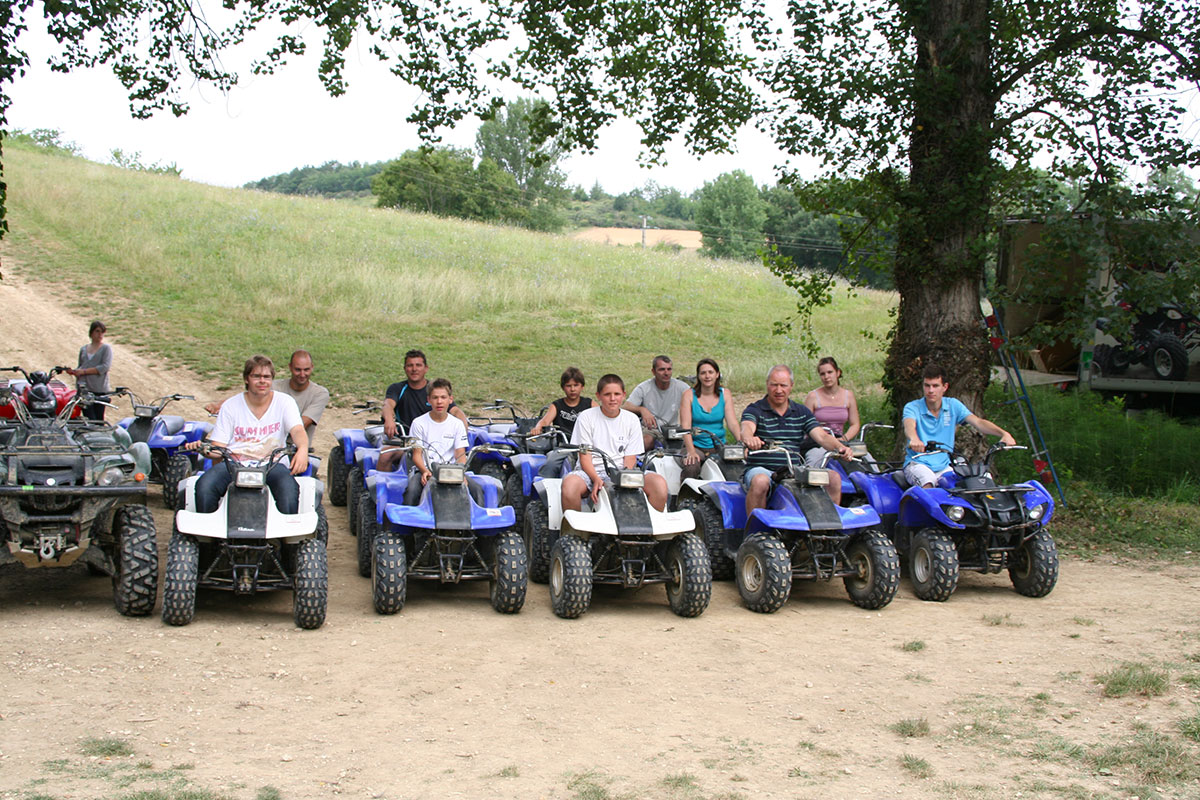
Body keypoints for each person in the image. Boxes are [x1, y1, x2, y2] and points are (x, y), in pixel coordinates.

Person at [185, 355, 308, 514]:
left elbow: (297, 429)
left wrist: (303, 449)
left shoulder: (285, 402)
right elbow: (218, 448)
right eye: (256, 376)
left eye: (267, 377)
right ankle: (207, 537)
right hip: (234, 464)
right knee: (205, 486)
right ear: (246, 379)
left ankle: (287, 536)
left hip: (272, 464)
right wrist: (202, 449)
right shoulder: (231, 406)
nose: (262, 381)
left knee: (289, 489)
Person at [740, 365, 854, 512]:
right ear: (767, 384)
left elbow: (821, 436)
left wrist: (840, 447)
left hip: (793, 470)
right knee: (760, 481)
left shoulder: (801, 412)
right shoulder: (755, 409)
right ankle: (755, 531)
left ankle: (828, 528)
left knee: (833, 478)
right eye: (774, 385)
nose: (779, 390)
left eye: (783, 385)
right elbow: (747, 427)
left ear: (791, 386)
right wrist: (749, 438)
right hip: (762, 469)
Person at [563, 374, 669, 513]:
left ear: (623, 395)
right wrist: (596, 479)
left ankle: (651, 530)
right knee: (569, 486)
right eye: (607, 394)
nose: (613, 399)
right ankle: (576, 532)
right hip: (590, 472)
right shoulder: (586, 417)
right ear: (598, 396)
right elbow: (585, 456)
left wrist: (624, 480)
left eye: (617, 394)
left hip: (624, 471)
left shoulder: (631, 419)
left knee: (659, 483)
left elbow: (631, 457)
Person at [902, 364, 1017, 488]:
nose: (931, 390)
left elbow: (978, 422)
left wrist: (1004, 434)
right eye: (927, 385)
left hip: (945, 466)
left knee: (967, 487)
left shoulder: (953, 405)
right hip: (918, 464)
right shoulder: (913, 407)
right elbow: (909, 425)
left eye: (935, 386)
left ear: (945, 387)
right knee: (928, 483)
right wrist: (914, 439)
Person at [205, 350, 329, 443]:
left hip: (291, 448)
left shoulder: (319, 394)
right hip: (259, 446)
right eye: (298, 370)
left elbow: (299, 426)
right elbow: (247, 397)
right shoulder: (272, 386)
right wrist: (219, 405)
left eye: (306, 370)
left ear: (312, 368)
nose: (302, 374)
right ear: (290, 367)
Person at [378, 349, 469, 472]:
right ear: (405, 368)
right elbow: (388, 405)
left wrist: (463, 425)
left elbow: (456, 411)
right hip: (406, 440)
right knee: (385, 455)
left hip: (435, 441)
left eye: (418, 365)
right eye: (410, 365)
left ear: (426, 368)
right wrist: (389, 420)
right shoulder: (397, 388)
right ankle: (383, 489)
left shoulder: (435, 390)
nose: (414, 369)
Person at [405, 378, 470, 505]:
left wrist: (461, 472)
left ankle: (478, 522)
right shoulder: (419, 423)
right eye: (435, 398)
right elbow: (417, 455)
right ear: (429, 400)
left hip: (452, 472)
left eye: (443, 397)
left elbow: (460, 454)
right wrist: (424, 471)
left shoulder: (457, 424)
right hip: (427, 470)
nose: (439, 402)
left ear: (450, 399)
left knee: (477, 490)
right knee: (412, 491)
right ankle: (408, 523)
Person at [679, 358, 740, 481]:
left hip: (719, 444)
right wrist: (691, 451)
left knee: (737, 467)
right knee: (692, 465)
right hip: (696, 445)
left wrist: (741, 442)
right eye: (703, 373)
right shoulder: (689, 395)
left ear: (717, 374)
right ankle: (686, 497)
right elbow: (685, 426)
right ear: (698, 376)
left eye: (710, 372)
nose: (707, 376)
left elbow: (732, 423)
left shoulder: (725, 394)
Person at [802, 356, 861, 467]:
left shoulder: (849, 396)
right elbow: (805, 425)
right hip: (818, 442)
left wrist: (843, 439)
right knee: (816, 460)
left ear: (838, 373)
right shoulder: (813, 397)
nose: (826, 377)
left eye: (830, 372)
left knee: (865, 458)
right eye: (822, 374)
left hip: (841, 439)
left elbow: (855, 424)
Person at [624, 355, 690, 450]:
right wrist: (642, 410)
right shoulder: (644, 387)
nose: (666, 373)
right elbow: (625, 407)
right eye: (662, 369)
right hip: (652, 429)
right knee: (646, 441)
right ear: (653, 371)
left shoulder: (682, 387)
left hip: (675, 429)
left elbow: (696, 403)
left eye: (669, 369)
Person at [530, 367, 592, 439]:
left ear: (582, 387)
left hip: (584, 445)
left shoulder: (589, 404)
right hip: (562, 446)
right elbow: (545, 421)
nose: (572, 389)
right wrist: (538, 428)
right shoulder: (557, 406)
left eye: (576, 385)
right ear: (563, 387)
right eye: (568, 386)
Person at [68, 320, 112, 421]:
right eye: (97, 331)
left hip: (99, 389)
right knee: (89, 418)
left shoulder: (106, 348)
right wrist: (75, 372)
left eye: (102, 332)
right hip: (84, 389)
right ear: (91, 333)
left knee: (98, 419)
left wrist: (84, 372)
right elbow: (81, 366)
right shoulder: (84, 349)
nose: (100, 334)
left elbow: (105, 367)